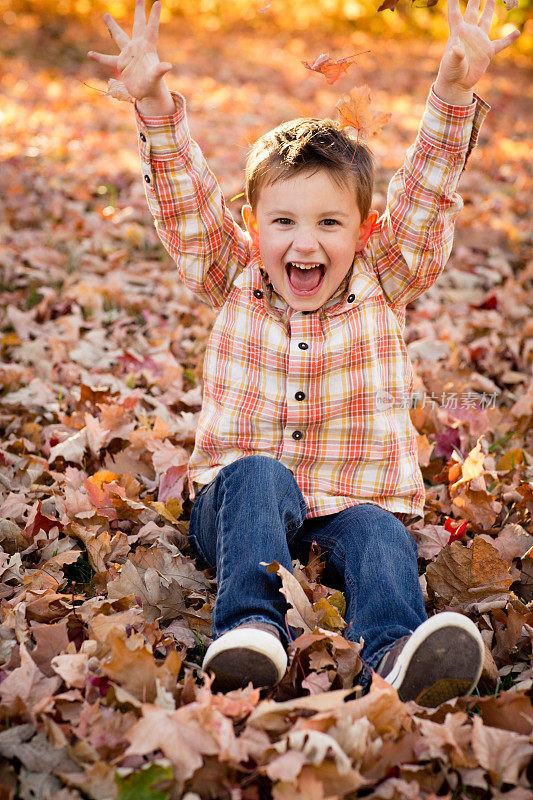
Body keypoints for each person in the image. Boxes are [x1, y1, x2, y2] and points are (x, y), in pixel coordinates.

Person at [88, 0, 519, 705]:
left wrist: (450, 91)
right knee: (258, 475)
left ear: (362, 229)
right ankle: (251, 631)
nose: (305, 242)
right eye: (283, 221)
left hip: (349, 501)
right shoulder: (232, 272)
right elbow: (184, 204)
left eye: (328, 222)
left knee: (381, 536)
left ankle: (395, 652)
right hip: (235, 505)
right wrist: (155, 104)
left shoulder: (386, 276)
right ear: (254, 228)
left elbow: (426, 194)